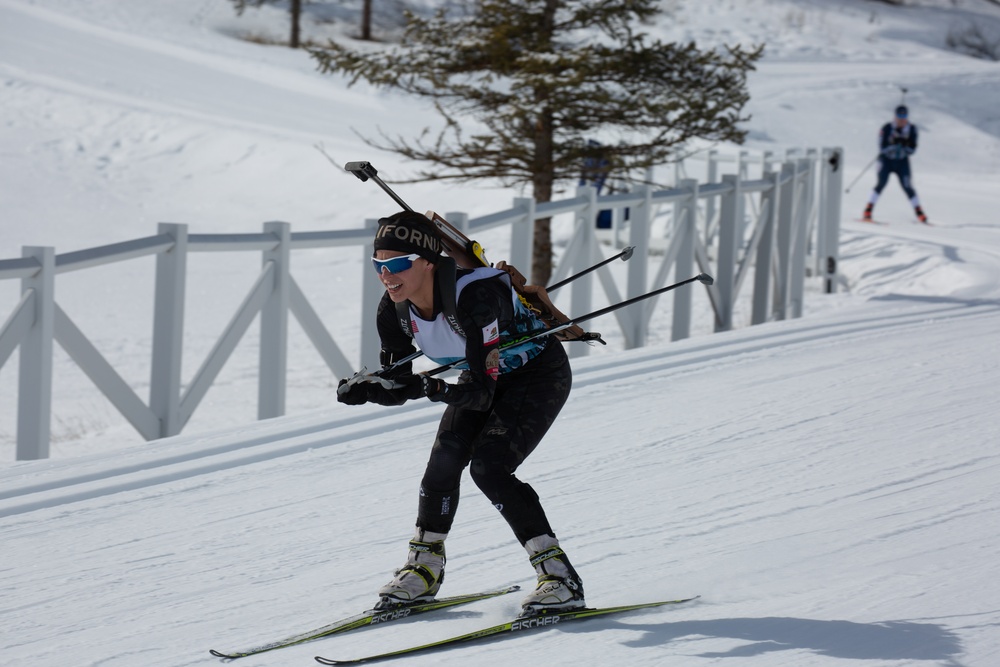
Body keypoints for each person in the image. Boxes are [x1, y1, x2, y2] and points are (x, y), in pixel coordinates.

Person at [336, 210, 585, 617]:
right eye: (378, 265)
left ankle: (560, 578)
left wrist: (429, 387)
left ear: (430, 261)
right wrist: (371, 390)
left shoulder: (474, 297)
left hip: (534, 376)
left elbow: (480, 394)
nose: (386, 274)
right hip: (480, 378)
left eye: (397, 264)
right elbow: (401, 383)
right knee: (443, 463)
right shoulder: (393, 310)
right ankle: (424, 569)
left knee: (489, 468)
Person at [863, 105, 929, 224]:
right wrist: (892, 145)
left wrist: (905, 145)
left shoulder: (912, 129)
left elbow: (913, 149)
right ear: (895, 116)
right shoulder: (887, 128)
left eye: (904, 116)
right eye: (899, 116)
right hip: (886, 161)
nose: (902, 120)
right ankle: (868, 210)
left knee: (907, 186)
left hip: (902, 162)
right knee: (881, 184)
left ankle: (919, 213)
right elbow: (882, 147)